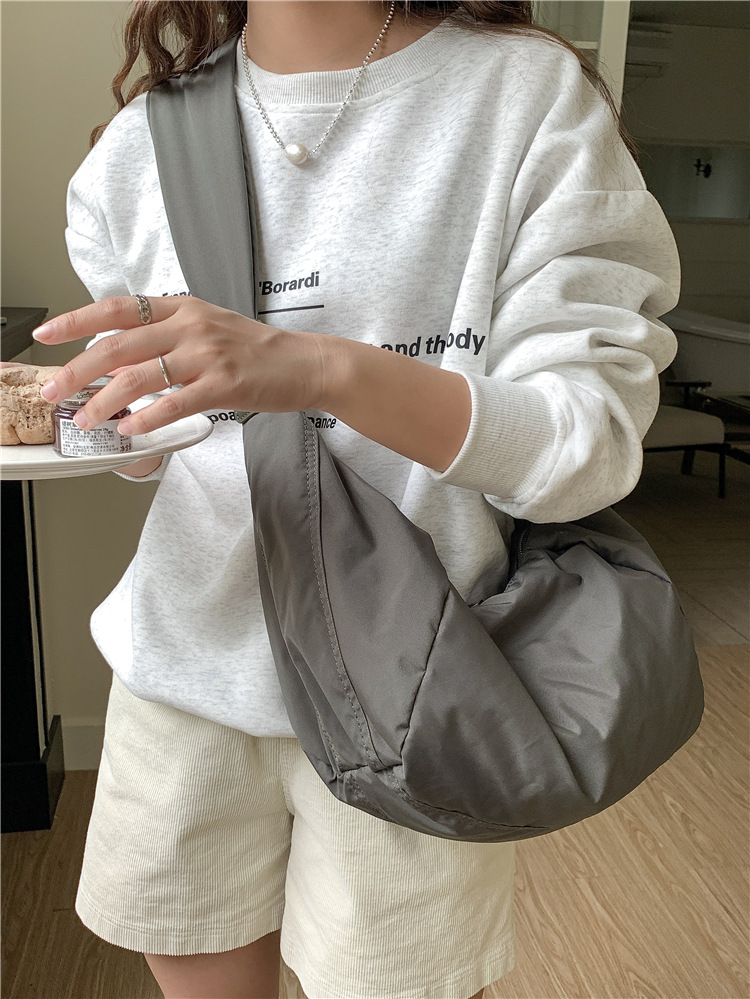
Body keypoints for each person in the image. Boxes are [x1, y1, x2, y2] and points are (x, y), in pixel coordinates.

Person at [33, 2, 681, 997]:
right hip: (182, 670)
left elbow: (585, 444)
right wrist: (91, 417)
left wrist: (322, 369)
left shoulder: (520, 97)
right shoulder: (139, 146)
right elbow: (162, 443)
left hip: (421, 682)